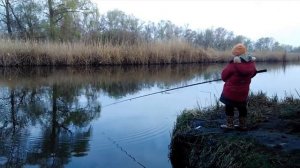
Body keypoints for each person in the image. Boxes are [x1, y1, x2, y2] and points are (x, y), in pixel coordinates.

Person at [220, 43, 257, 130]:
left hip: (231, 91)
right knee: (242, 107)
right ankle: (243, 125)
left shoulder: (233, 64)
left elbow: (224, 76)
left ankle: (230, 125)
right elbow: (253, 73)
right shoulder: (251, 63)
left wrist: (230, 80)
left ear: (235, 53)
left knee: (229, 107)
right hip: (244, 91)